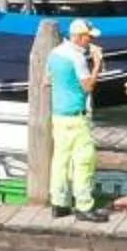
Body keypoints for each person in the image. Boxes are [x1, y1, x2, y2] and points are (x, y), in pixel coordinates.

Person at [46, 17, 100, 218]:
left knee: (61, 161)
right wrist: (97, 65)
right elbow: (88, 86)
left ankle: (59, 203)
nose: (90, 42)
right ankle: (84, 205)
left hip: (59, 117)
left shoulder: (54, 54)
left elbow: (47, 80)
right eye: (88, 38)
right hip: (76, 116)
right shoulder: (76, 58)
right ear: (78, 37)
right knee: (84, 160)